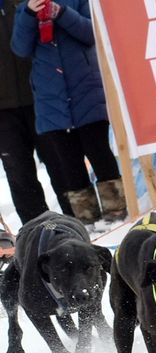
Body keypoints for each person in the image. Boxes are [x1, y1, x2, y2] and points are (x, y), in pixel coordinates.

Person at [11, 0, 127, 224]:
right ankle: (87, 222)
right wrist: (28, 13)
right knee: (70, 166)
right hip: (50, 101)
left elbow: (91, 33)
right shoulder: (24, 8)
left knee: (100, 155)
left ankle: (118, 215)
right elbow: (20, 48)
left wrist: (61, 13)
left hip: (86, 93)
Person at [0, 0, 74, 224]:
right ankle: (38, 234)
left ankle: (80, 226)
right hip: (3, 112)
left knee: (61, 164)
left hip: (42, 99)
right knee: (19, 174)